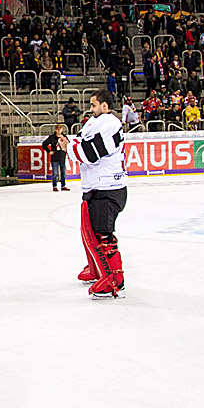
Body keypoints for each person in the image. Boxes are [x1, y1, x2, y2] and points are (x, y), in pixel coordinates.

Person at [58, 89, 127, 299]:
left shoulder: (110, 123)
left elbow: (90, 152)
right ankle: (98, 269)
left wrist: (69, 148)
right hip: (95, 187)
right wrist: (70, 146)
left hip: (108, 188)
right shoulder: (93, 123)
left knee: (103, 234)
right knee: (90, 232)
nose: (90, 108)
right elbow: (79, 143)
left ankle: (115, 281)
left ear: (105, 106)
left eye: (94, 105)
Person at [41, 123, 69, 191]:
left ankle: (63, 185)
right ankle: (55, 186)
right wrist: (49, 151)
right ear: (56, 130)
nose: (59, 131)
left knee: (63, 172)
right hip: (55, 157)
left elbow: (68, 144)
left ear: (62, 130)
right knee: (55, 173)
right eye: (57, 129)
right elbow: (44, 144)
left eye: (60, 129)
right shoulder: (52, 137)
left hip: (62, 156)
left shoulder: (64, 137)